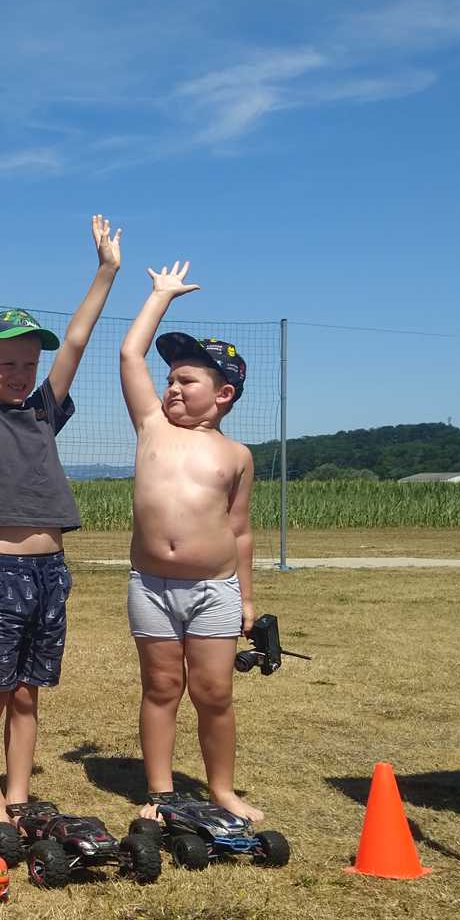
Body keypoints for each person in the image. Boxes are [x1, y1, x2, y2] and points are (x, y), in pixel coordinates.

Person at [0, 204, 122, 823]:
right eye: (5, 363)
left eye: (28, 363)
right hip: (1, 575)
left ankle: (18, 799)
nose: (19, 373)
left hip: (51, 575)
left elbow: (81, 339)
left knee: (29, 695)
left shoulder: (43, 412)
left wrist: (105, 271)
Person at [118, 262, 261, 822]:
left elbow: (241, 531)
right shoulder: (152, 427)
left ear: (223, 394)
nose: (172, 387)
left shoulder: (237, 456)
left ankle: (221, 789)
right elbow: (131, 356)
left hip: (214, 588)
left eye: (187, 380)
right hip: (151, 587)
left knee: (214, 691)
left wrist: (246, 598)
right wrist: (160, 297)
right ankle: (160, 792)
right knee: (161, 687)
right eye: (170, 379)